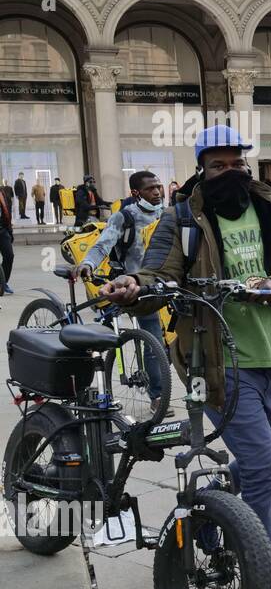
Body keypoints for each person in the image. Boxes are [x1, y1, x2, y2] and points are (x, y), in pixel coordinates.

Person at [100, 125, 271, 589]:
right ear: (202, 168)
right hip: (216, 358)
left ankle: (216, 500)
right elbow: (158, 271)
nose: (231, 171)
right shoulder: (182, 216)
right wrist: (134, 284)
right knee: (263, 467)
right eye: (219, 164)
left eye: (237, 162)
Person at [78, 171, 169, 413]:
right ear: (136, 193)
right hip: (133, 288)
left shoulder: (167, 214)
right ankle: (158, 396)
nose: (158, 192)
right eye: (151, 188)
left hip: (163, 284)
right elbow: (103, 244)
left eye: (159, 187)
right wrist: (88, 264)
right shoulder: (125, 217)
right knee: (151, 341)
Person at [0, 180, 12, 294]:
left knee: (9, 256)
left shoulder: (1, 193)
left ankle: (3, 283)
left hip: (2, 230)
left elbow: (7, 211)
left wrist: (9, 231)